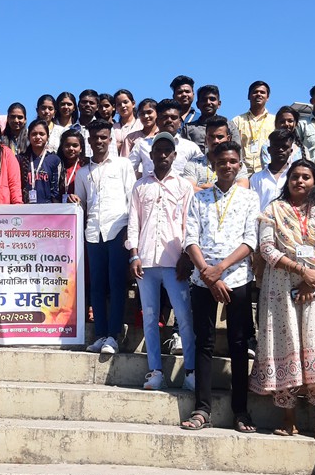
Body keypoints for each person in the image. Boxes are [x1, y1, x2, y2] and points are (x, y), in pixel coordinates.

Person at [250, 160, 315, 440]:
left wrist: (314, 278)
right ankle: (288, 420)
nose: (299, 181)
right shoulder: (274, 210)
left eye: (306, 177)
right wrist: (301, 271)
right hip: (281, 287)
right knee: (286, 344)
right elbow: (267, 249)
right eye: (295, 176)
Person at [180, 141, 260, 432]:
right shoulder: (199, 198)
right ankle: (202, 409)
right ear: (213, 165)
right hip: (203, 278)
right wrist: (207, 273)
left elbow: (250, 240)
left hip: (237, 278)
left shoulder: (249, 198)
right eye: (222, 161)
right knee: (204, 342)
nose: (227, 166)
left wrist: (220, 270)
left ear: (240, 165)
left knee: (238, 344)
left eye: (233, 161)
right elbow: (190, 239)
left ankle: (241, 411)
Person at [126, 133, 196, 390]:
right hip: (146, 260)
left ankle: (190, 371)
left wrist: (186, 256)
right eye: (159, 150)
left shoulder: (184, 186)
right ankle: (155, 371)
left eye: (168, 150)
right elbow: (134, 223)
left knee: (184, 316)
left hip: (175, 260)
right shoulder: (140, 186)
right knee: (150, 317)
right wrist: (134, 254)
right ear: (151, 154)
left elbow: (189, 223)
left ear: (174, 155)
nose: (163, 154)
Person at [76, 119, 135, 355]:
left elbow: (132, 199)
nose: (99, 141)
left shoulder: (123, 165)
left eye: (103, 137)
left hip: (118, 229)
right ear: (89, 141)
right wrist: (74, 202)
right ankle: (100, 335)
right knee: (97, 286)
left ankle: (113, 336)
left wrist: (131, 233)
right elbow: (81, 204)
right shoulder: (83, 172)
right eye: (95, 138)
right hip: (93, 232)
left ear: (110, 140)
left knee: (117, 284)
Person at [129, 99, 201, 179]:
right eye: (165, 117)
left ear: (180, 122)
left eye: (173, 118)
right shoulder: (142, 145)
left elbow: (202, 173)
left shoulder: (191, 148)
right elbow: (128, 171)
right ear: (157, 121)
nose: (169, 120)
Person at [182, 115, 250, 191]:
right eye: (211, 137)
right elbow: (189, 190)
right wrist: (225, 188)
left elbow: (242, 188)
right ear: (206, 140)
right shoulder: (193, 164)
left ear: (228, 139)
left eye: (220, 137)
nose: (215, 141)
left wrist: (206, 188)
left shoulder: (235, 164)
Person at [180, 85, 242, 151]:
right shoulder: (188, 129)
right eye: (204, 100)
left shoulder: (229, 126)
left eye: (212, 99)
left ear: (219, 104)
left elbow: (237, 151)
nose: (208, 102)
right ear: (197, 104)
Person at [232, 80, 275, 175]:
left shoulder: (275, 121)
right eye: (255, 92)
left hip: (267, 172)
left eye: (262, 92)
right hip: (243, 173)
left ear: (267, 97)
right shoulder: (237, 121)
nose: (259, 94)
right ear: (248, 96)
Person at [250, 129, 296, 212]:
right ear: (269, 150)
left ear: (291, 151)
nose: (280, 150)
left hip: (290, 219)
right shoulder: (256, 178)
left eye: (285, 147)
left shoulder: (295, 177)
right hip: (263, 219)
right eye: (276, 146)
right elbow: (252, 207)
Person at [18, 119, 61, 204]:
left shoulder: (54, 160)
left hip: (47, 208)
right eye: (34, 134)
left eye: (42, 134)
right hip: (25, 208)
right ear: (28, 137)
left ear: (48, 137)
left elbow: (55, 190)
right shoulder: (20, 159)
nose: (38, 137)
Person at [124, 98, 158, 168]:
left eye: (149, 112)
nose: (146, 116)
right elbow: (125, 162)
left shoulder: (163, 135)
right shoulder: (131, 138)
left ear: (157, 113)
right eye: (142, 114)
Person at [58, 129, 87, 203]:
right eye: (67, 145)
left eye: (75, 145)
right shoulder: (56, 165)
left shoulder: (85, 166)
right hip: (59, 207)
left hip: (79, 206)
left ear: (81, 148)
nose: (71, 148)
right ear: (62, 147)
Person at [112, 89, 141, 157]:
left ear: (133, 104)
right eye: (119, 104)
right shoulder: (113, 128)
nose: (123, 106)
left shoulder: (141, 124)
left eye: (125, 102)